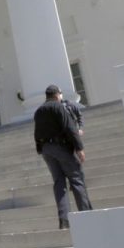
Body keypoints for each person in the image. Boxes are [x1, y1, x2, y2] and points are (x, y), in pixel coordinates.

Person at [34, 84, 93, 230]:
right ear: (56, 95)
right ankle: (86, 215)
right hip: (60, 147)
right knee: (76, 178)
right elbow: (69, 127)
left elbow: (36, 132)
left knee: (59, 183)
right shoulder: (58, 107)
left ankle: (64, 221)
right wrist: (79, 148)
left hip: (47, 150)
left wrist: (40, 149)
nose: (61, 97)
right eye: (60, 94)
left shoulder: (38, 111)